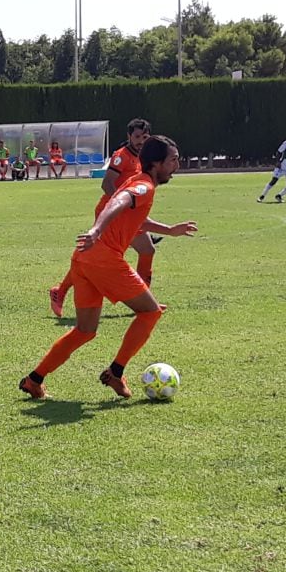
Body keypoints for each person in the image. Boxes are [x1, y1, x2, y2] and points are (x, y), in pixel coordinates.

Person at [20, 135, 196, 400]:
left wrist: (169, 230)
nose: (177, 165)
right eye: (173, 160)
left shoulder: (138, 181)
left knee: (84, 330)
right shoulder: (143, 186)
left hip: (83, 259)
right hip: (104, 260)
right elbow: (120, 201)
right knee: (150, 313)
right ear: (156, 164)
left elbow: (134, 213)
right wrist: (96, 229)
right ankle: (116, 371)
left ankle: (34, 380)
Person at [50, 118, 154, 317]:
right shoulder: (121, 156)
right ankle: (60, 292)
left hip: (127, 214)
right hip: (112, 213)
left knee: (147, 249)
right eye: (137, 136)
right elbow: (107, 185)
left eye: (145, 137)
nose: (141, 140)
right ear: (129, 137)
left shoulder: (143, 157)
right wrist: (122, 207)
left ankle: (145, 297)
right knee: (96, 257)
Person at [257, 128, 286, 203]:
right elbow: (278, 152)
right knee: (274, 181)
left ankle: (279, 196)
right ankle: (262, 196)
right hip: (282, 166)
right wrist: (278, 162)